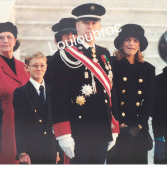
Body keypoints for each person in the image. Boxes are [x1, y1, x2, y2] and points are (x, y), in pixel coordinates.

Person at [49, 3, 119, 164]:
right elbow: (58, 97)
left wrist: (114, 127)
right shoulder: (65, 55)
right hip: (78, 131)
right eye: (86, 23)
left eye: (94, 23)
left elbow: (110, 91)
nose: (90, 27)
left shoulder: (104, 54)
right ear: (77, 26)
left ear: (99, 26)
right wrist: (63, 133)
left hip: (102, 129)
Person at [107, 24, 156, 164]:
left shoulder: (148, 69)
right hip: (117, 128)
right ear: (121, 43)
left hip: (138, 130)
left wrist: (139, 126)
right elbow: (109, 97)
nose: (131, 44)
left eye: (135, 40)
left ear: (140, 45)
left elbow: (149, 102)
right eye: (128, 40)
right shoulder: (111, 64)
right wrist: (116, 123)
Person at [0, 22, 30, 164]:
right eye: (1, 37)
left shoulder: (24, 68)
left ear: (15, 41)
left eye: (9, 37)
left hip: (27, 130)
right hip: (4, 132)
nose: (5, 41)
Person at [13, 51, 57, 164]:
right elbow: (19, 123)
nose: (39, 69)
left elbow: (55, 121)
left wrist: (57, 150)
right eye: (35, 66)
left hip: (51, 148)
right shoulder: (20, 92)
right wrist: (22, 152)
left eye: (42, 65)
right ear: (27, 68)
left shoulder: (52, 90)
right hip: (32, 150)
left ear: (46, 67)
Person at [44, 17, 77, 164]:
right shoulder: (49, 63)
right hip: (58, 121)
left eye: (74, 33)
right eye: (66, 34)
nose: (70, 38)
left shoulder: (88, 60)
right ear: (58, 39)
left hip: (83, 123)